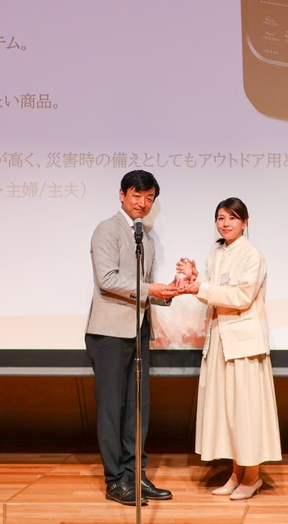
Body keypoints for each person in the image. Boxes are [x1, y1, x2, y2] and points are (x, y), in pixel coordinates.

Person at [176, 196, 282, 501]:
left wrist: (202, 286)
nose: (226, 224)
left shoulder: (252, 254)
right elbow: (212, 291)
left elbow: (241, 297)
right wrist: (196, 279)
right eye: (221, 218)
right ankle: (236, 473)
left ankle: (253, 477)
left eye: (233, 218)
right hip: (220, 342)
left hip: (244, 345)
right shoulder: (216, 255)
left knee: (246, 411)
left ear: (245, 223)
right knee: (228, 413)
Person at [84, 169, 178, 506]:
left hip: (138, 330)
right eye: (137, 195)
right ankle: (115, 480)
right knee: (112, 407)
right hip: (108, 332)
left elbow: (145, 289)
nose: (142, 203)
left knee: (138, 407)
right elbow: (107, 279)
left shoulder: (145, 239)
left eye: (149, 198)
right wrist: (151, 289)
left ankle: (135, 473)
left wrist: (171, 291)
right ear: (122, 195)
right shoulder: (106, 229)